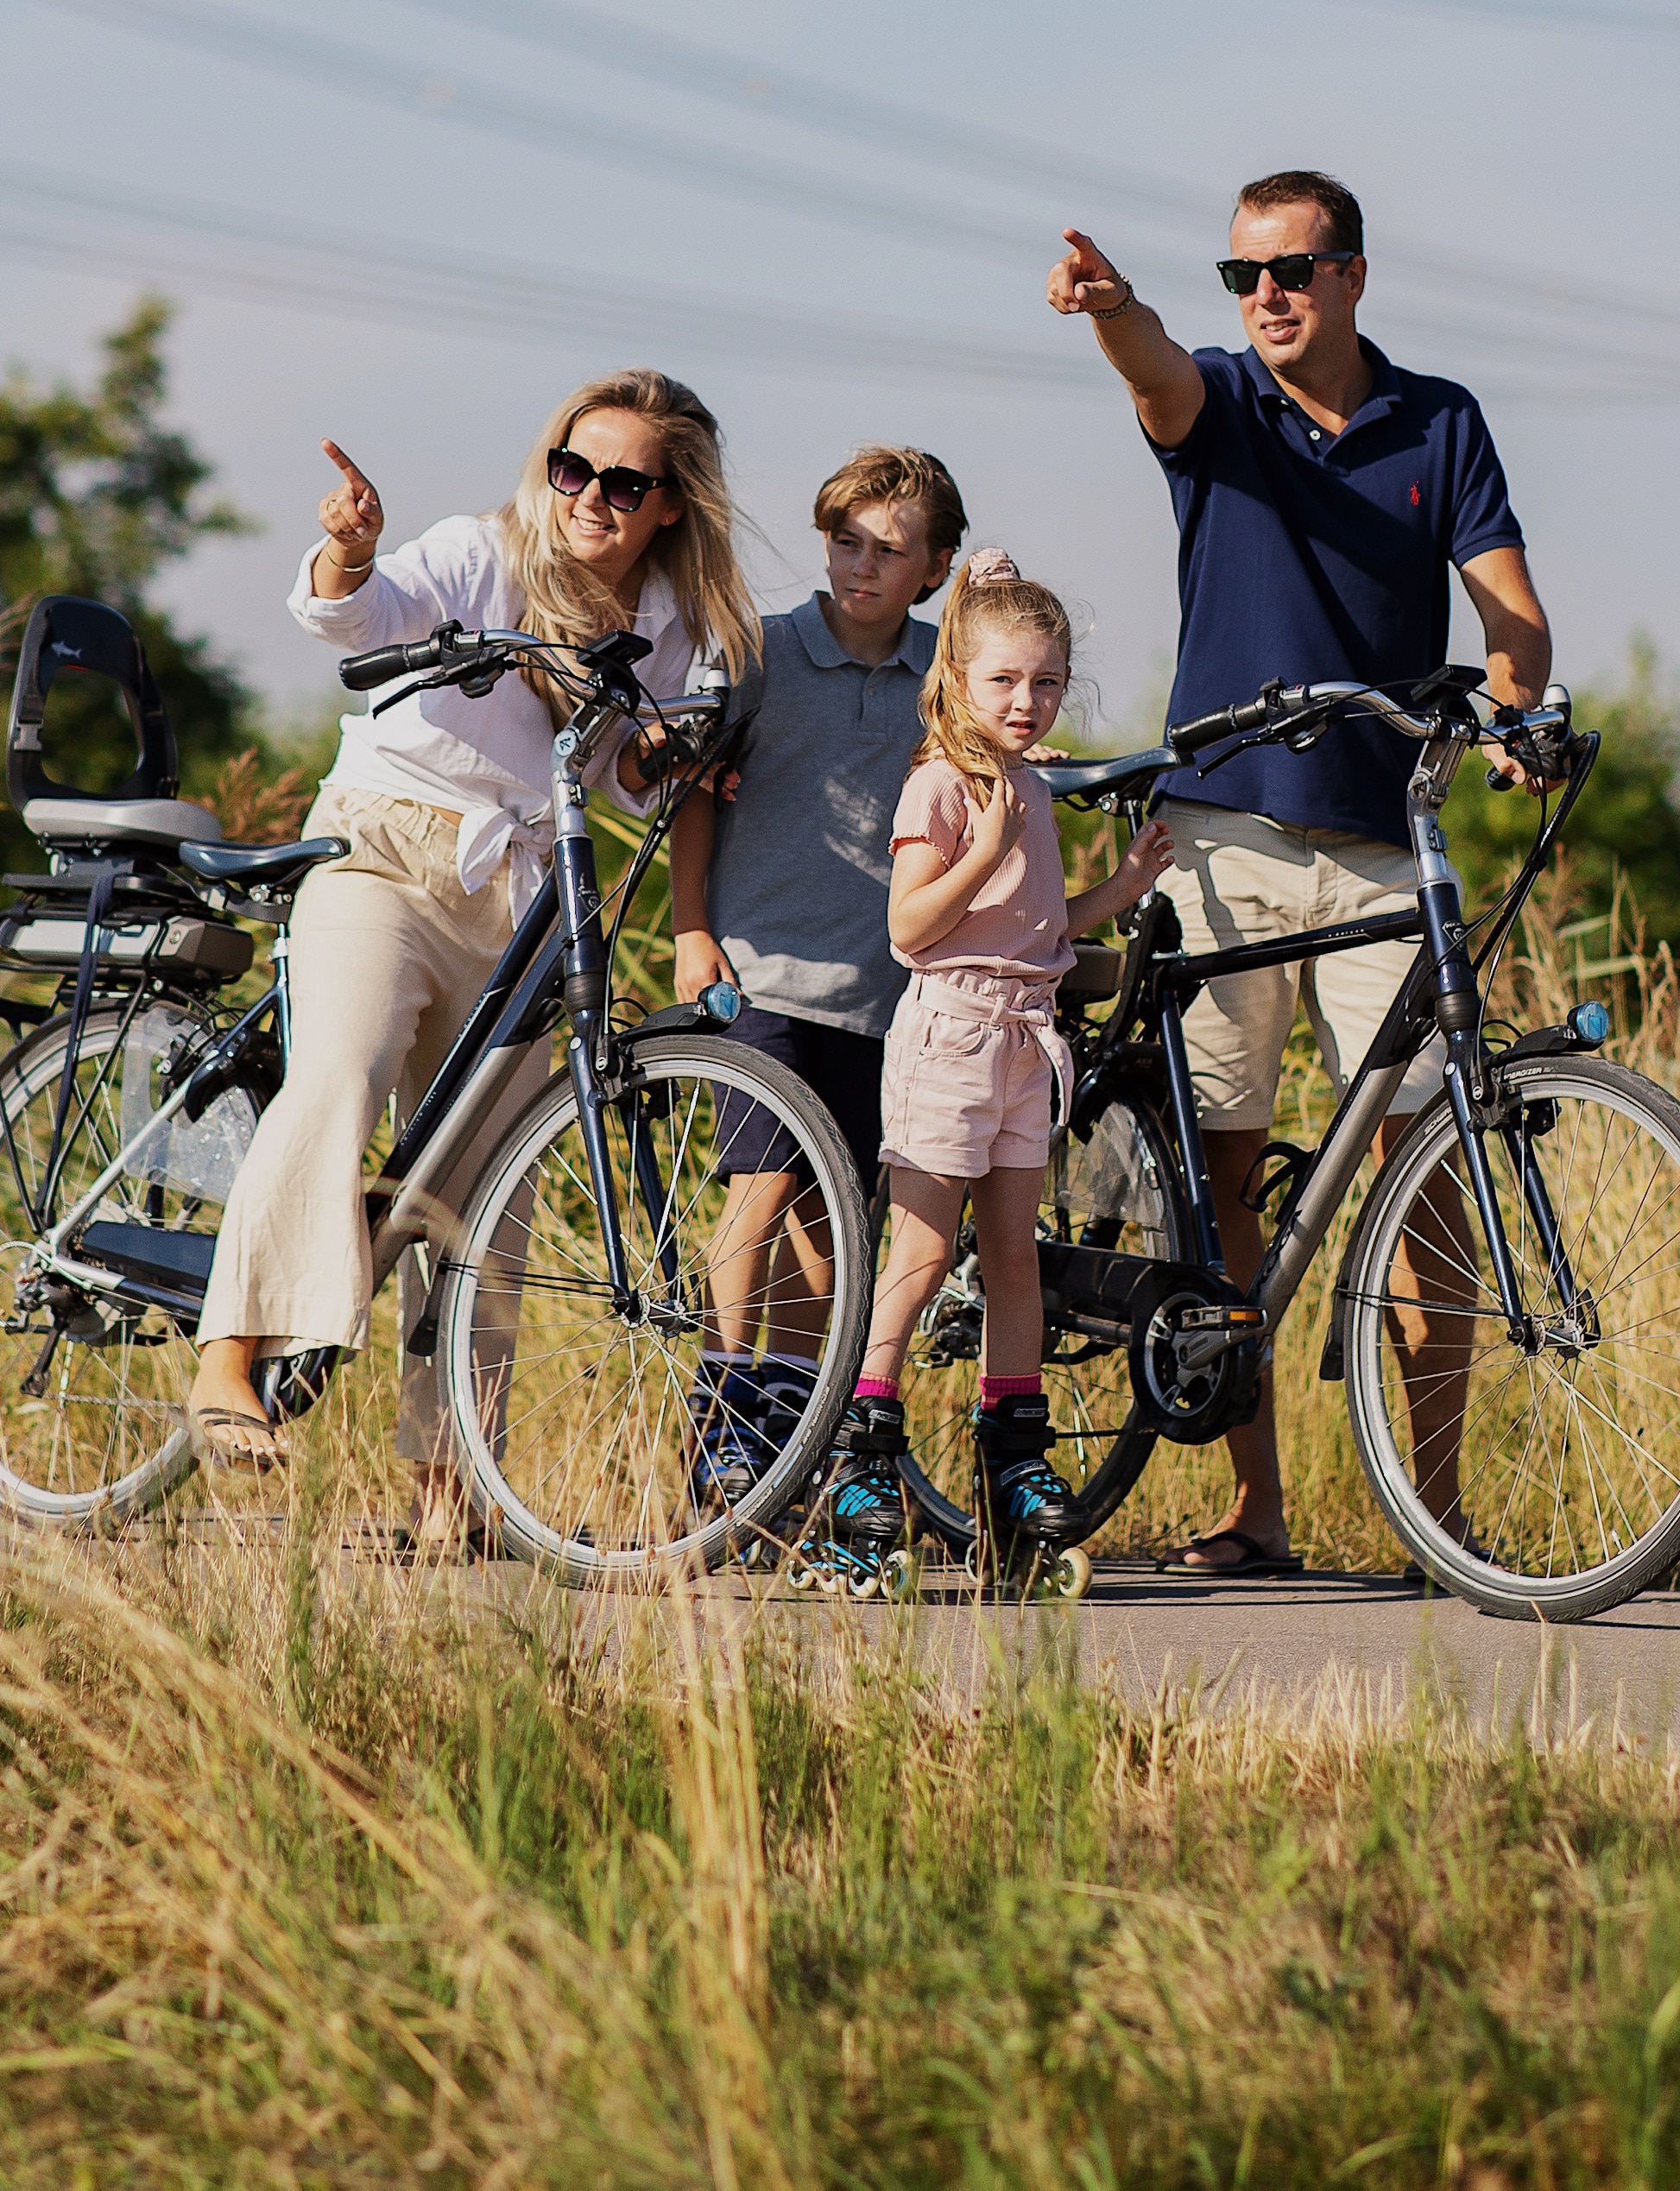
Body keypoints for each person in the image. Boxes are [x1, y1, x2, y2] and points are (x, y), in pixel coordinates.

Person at [1044, 169, 1551, 1577]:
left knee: (1425, 1171)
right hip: (1225, 833)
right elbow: (1154, 374)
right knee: (1223, 1174)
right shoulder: (1220, 400)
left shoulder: (1437, 421)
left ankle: (1435, 1519)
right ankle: (1255, 1510)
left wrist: (1513, 707)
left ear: (1354, 275)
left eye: (1293, 268)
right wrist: (1118, 306)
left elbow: (1511, 609)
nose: (1265, 294)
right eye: (1242, 274)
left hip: (1389, 838)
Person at [182, 368, 764, 1501]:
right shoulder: (479, 554)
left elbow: (627, 776)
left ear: (670, 503)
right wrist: (349, 550)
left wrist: (671, 757)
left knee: (492, 1185)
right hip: (385, 851)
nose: (589, 493)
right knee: (340, 1074)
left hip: (519, 886)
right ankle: (225, 1362)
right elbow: (360, 615)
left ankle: (451, 1474)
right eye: (572, 465)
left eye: (622, 480)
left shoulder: (668, 621)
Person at [804, 556, 1173, 1581]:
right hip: (950, 1038)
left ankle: (1012, 1453)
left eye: (1046, 681)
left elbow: (1042, 928)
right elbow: (910, 927)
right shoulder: (943, 787)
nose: (1026, 700)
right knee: (919, 1256)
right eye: (1004, 680)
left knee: (1015, 1258)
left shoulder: (1025, 787)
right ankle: (862, 1451)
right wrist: (986, 840)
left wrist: (1120, 887)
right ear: (958, 680)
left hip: (1024, 1041)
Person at [663, 445, 964, 1506]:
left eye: (889, 551)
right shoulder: (761, 650)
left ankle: (798, 1432)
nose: (860, 567)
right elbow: (696, 790)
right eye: (846, 541)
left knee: (834, 1230)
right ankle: (720, 1411)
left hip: (887, 995)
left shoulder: (947, 672)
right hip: (763, 976)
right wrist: (690, 927)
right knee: (760, 1193)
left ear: (931, 568)